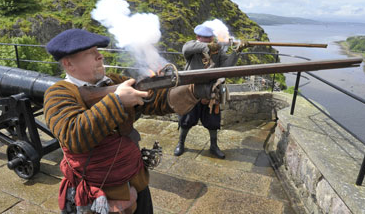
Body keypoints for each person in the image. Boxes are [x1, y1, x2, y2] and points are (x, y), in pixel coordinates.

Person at [43, 29, 211, 214]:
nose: (100, 56)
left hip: (134, 178)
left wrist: (193, 91)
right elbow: (73, 136)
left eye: (97, 51)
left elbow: (154, 100)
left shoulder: (113, 81)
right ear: (68, 63)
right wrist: (117, 101)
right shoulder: (58, 93)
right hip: (97, 191)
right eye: (90, 54)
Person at [174, 24, 247, 159]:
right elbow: (186, 48)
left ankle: (213, 146)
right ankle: (181, 143)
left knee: (213, 122)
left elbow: (227, 67)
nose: (208, 40)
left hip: (211, 92)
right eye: (205, 38)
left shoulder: (217, 52)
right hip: (192, 91)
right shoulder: (192, 47)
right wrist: (207, 46)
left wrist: (237, 51)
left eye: (210, 38)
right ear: (198, 37)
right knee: (186, 120)